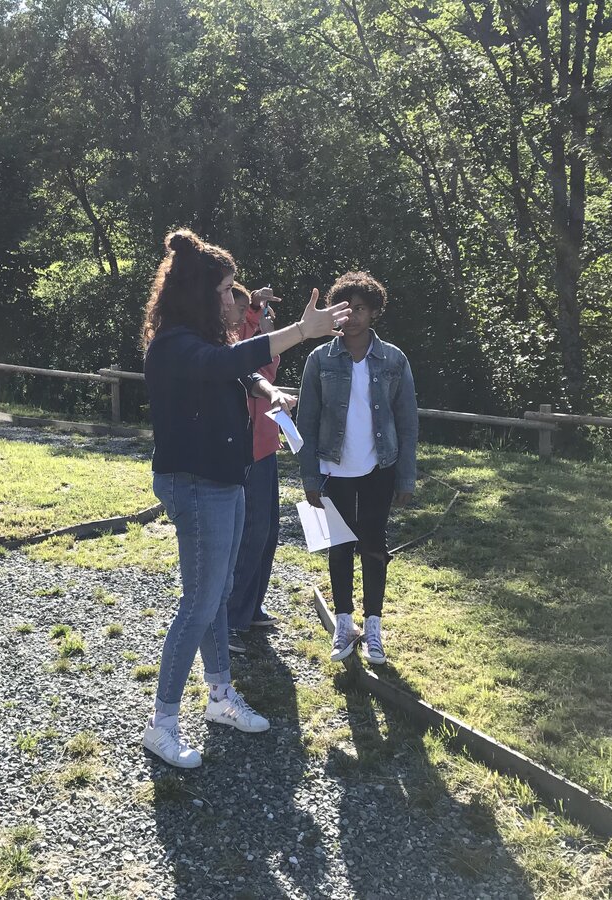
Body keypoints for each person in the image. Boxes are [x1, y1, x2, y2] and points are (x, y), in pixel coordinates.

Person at [142, 229, 349, 768]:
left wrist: (269, 390)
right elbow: (220, 366)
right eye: (229, 290)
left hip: (224, 479)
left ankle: (219, 696)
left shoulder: (208, 341)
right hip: (195, 484)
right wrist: (302, 331)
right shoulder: (174, 346)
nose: (238, 299)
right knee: (199, 604)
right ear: (199, 294)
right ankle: (162, 723)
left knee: (217, 593)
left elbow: (238, 368)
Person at [295, 272, 418, 666]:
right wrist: (310, 476)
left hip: (380, 468)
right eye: (345, 309)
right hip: (334, 470)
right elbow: (307, 421)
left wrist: (406, 475)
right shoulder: (320, 359)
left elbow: (407, 420)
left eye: (361, 309)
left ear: (374, 312)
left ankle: (375, 626)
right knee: (340, 546)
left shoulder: (394, 359)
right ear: (336, 313)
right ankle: (344, 624)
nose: (352, 317)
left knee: (374, 545)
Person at [225, 283, 283, 653]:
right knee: (248, 532)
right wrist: (254, 315)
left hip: (265, 442)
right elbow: (246, 364)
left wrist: (260, 316)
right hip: (243, 447)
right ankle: (230, 617)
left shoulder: (253, 326)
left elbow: (269, 367)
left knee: (267, 529)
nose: (251, 312)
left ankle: (250, 606)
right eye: (243, 306)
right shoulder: (221, 339)